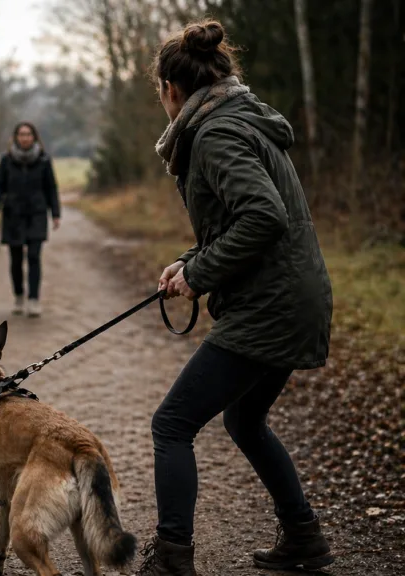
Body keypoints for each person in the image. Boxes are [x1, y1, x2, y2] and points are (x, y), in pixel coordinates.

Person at [137, 19, 334, 576]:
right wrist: (191, 260)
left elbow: (263, 217)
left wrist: (201, 275)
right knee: (244, 421)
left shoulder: (217, 134)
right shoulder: (237, 120)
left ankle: (172, 557)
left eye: (159, 91)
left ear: (171, 90)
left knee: (172, 423)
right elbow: (242, 219)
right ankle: (303, 538)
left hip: (271, 306)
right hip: (292, 297)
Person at [0, 122, 61, 317]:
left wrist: (56, 213)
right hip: (13, 215)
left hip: (36, 214)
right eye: (21, 134)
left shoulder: (44, 160)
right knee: (16, 259)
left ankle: (34, 299)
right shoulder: (6, 160)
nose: (25, 137)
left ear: (34, 137)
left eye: (28, 134)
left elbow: (51, 188)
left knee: (35, 257)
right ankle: (19, 295)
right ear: (16, 137)